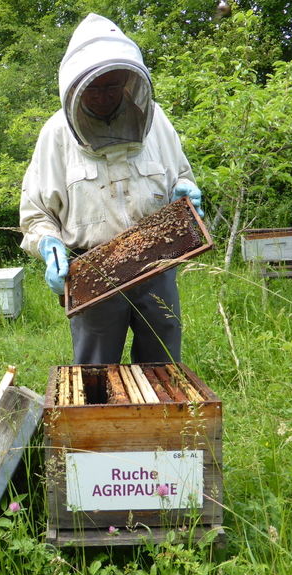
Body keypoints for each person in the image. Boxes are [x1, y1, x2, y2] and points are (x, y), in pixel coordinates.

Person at [19, 13, 202, 365]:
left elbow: (182, 175)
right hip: (93, 269)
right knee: (96, 372)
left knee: (162, 363)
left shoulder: (155, 120)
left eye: (112, 86)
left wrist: (184, 189)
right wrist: (48, 243)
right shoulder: (56, 134)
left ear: (129, 82)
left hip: (157, 263)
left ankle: (157, 421)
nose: (102, 96)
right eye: (93, 89)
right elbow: (35, 213)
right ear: (75, 88)